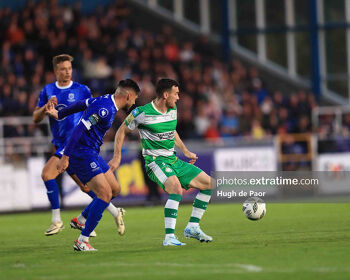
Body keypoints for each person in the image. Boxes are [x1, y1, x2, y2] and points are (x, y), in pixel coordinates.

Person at [109, 78, 214, 246]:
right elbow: (121, 131)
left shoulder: (173, 109)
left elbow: (172, 131)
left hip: (173, 160)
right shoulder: (142, 113)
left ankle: (193, 226)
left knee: (209, 184)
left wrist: (185, 150)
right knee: (176, 189)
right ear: (165, 95)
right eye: (176, 94)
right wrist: (117, 156)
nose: (178, 98)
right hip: (155, 162)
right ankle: (169, 237)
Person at [33, 54, 124, 236]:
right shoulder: (48, 90)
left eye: (69, 68)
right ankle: (112, 212)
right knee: (86, 187)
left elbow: (92, 113)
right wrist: (46, 108)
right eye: (63, 69)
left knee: (47, 174)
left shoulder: (82, 90)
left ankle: (58, 220)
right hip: (61, 145)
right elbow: (36, 118)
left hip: (76, 144)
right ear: (55, 71)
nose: (67, 72)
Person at [47, 79, 140, 251]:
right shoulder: (104, 109)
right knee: (104, 194)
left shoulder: (105, 100)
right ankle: (82, 241)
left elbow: (82, 103)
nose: (134, 102)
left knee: (114, 189)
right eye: (134, 98)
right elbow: (78, 130)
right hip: (81, 153)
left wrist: (60, 114)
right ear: (128, 96)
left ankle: (81, 220)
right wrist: (65, 157)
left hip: (92, 152)